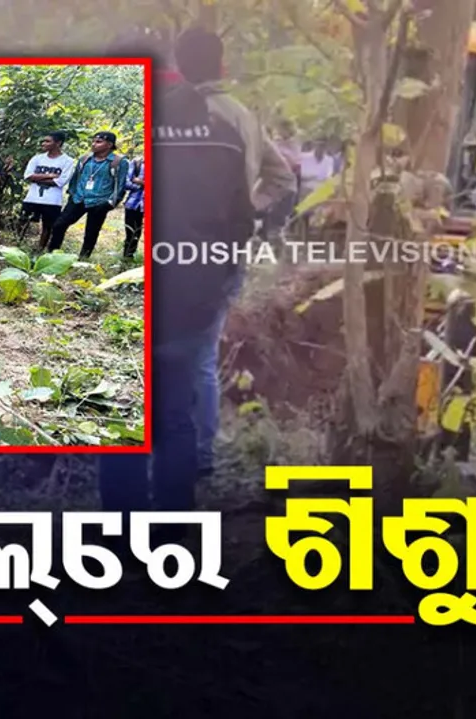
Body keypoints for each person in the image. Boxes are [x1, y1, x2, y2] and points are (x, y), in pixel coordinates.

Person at [98, 42, 257, 529]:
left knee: (127, 409)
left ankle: (120, 525)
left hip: (151, 289)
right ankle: (173, 523)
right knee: (175, 410)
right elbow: (242, 220)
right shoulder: (225, 134)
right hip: (196, 289)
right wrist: (221, 284)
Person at [173, 27, 297, 478]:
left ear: (180, 66)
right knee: (203, 356)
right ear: (222, 64)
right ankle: (201, 456)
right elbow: (283, 179)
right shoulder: (243, 116)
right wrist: (248, 207)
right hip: (224, 250)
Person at [45, 131, 129, 259]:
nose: (94, 144)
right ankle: (51, 255)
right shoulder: (85, 159)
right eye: (93, 141)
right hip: (79, 198)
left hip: (100, 201)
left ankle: (83, 259)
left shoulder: (119, 162)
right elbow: (75, 177)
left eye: (98, 142)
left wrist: (110, 203)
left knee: (91, 232)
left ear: (109, 145)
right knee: (59, 225)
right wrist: (72, 193)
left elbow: (121, 184)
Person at [20, 131, 76, 250]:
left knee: (48, 226)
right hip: (32, 198)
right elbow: (28, 176)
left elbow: (61, 181)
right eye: (43, 141)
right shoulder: (37, 158)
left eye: (47, 141)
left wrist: (37, 177)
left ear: (58, 143)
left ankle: (40, 249)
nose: (43, 143)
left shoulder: (68, 161)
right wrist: (50, 176)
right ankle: (19, 244)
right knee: (23, 221)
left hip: (52, 201)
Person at [121, 154, 145, 261]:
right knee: (131, 233)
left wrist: (141, 182)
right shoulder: (136, 162)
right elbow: (126, 183)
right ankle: (127, 257)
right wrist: (140, 185)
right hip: (133, 203)